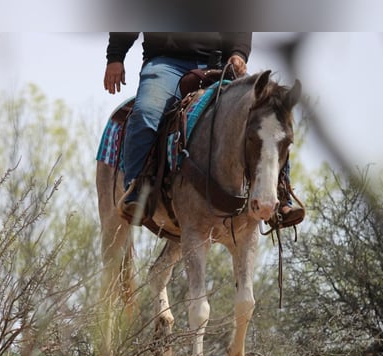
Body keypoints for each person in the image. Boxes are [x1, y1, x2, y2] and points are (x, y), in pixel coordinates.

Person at [103, 32, 304, 228]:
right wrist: (116, 57)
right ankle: (137, 190)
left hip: (220, 63)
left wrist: (238, 54)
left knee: (271, 109)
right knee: (146, 112)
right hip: (166, 63)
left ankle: (281, 192)